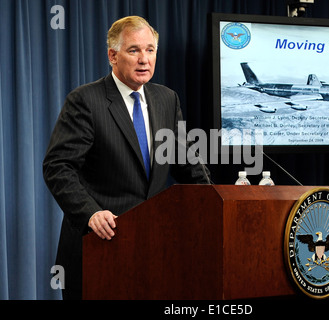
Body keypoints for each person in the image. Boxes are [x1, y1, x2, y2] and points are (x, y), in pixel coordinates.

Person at [43, 16, 211, 300]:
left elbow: (188, 165)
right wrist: (91, 213)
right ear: (113, 55)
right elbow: (58, 167)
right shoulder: (86, 100)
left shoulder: (167, 99)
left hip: (154, 251)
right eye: (134, 50)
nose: (144, 59)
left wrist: (214, 201)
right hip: (100, 246)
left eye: (150, 50)